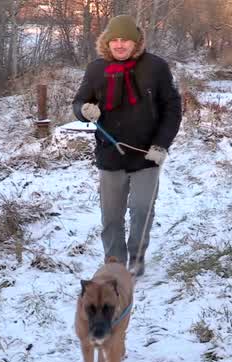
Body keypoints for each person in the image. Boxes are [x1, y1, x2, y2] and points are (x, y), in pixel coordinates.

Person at [72, 15, 182, 278]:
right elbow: (78, 102)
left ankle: (137, 256)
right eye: (115, 40)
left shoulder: (156, 67)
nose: (120, 45)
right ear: (107, 43)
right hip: (110, 154)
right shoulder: (96, 69)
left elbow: (173, 109)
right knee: (111, 216)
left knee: (142, 210)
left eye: (126, 40)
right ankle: (114, 261)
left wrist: (161, 145)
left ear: (137, 42)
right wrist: (84, 110)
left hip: (147, 155)